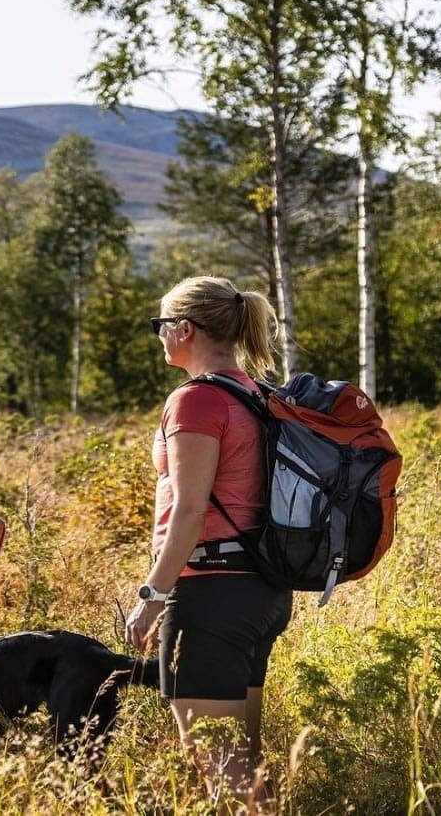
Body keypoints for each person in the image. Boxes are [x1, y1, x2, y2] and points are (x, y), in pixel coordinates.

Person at [124, 276, 292, 806]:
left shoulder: (196, 400)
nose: (159, 335)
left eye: (160, 324)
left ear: (185, 329)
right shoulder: (256, 393)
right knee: (247, 762)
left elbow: (190, 510)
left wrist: (152, 596)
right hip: (261, 589)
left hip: (211, 593)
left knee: (221, 765)